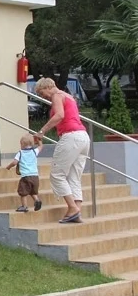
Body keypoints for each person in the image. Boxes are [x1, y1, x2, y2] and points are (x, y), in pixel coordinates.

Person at [34, 77, 90, 224]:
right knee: (74, 177)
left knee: (57, 175)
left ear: (47, 87)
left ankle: (72, 208)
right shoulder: (68, 96)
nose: (42, 97)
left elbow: (59, 115)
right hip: (83, 137)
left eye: (41, 93)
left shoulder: (56, 96)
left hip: (71, 137)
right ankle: (76, 213)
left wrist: (42, 131)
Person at [6, 133, 43, 213]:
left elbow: (15, 162)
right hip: (35, 176)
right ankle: (37, 200)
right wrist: (39, 140)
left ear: (22, 144)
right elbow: (41, 147)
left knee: (23, 192)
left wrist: (8, 167)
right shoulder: (34, 151)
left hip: (26, 176)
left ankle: (24, 206)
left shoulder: (20, 153)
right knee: (32, 191)